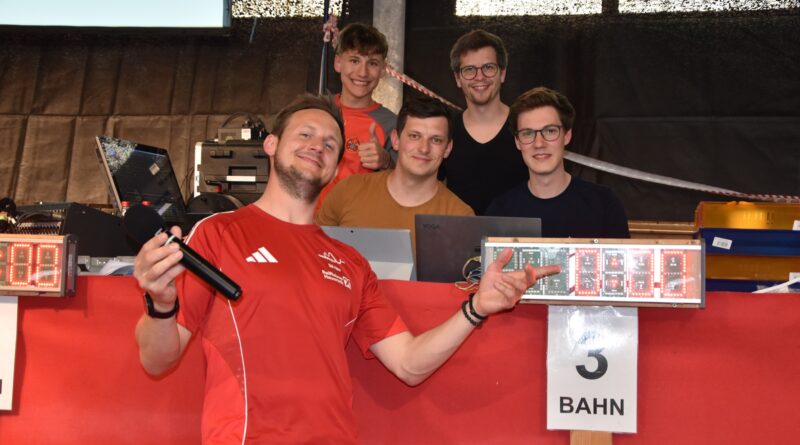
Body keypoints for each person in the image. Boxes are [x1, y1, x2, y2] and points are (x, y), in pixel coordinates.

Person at [133, 93, 559, 444]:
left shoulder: (350, 262)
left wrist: (476, 307)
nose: (317, 145)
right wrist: (161, 304)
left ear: (337, 166)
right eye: (305, 134)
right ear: (272, 145)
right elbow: (156, 360)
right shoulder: (218, 234)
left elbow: (409, 364)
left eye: (330, 143)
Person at [316, 96, 474, 253]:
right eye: (414, 136)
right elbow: (315, 253)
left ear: (447, 148)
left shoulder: (461, 218)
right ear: (396, 140)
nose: (424, 149)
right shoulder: (347, 191)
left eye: (436, 140)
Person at [486, 87, 630, 238]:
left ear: (567, 136)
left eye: (550, 131)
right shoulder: (500, 212)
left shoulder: (605, 204)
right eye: (527, 133)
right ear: (517, 141)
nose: (539, 144)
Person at [438, 29, 528, 215]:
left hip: (518, 233)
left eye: (488, 67)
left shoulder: (526, 127)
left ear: (502, 74)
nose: (479, 77)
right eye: (469, 70)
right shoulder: (445, 130)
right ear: (457, 78)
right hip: (460, 232)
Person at [317, 22, 397, 207]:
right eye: (354, 61)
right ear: (338, 63)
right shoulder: (315, 111)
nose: (362, 72)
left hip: (361, 222)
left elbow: (407, 188)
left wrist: (386, 162)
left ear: (383, 69)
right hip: (308, 221)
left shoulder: (391, 124)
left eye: (372, 63)